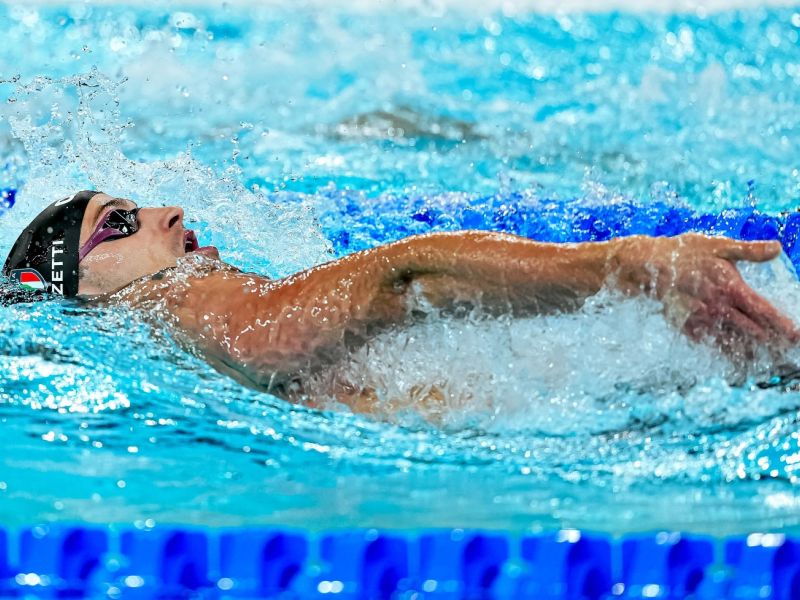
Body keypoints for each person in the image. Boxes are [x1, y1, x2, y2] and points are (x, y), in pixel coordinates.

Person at [3, 190, 799, 414]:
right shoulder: (173, 302)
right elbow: (404, 282)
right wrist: (627, 265)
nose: (167, 212)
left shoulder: (157, 345)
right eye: (118, 226)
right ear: (73, 287)